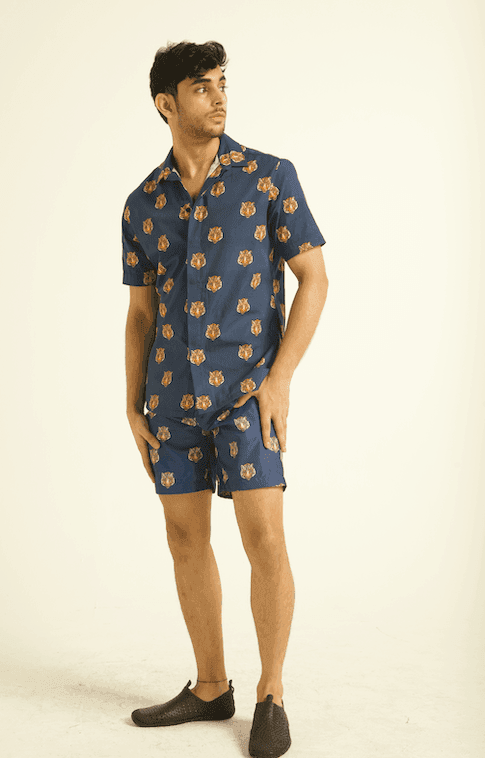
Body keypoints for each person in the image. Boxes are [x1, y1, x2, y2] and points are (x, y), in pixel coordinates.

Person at [122, 40, 328, 758]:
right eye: (201, 87)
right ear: (166, 104)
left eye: (221, 83)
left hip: (249, 394)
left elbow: (314, 278)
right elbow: (141, 315)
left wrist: (281, 379)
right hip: (170, 400)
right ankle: (211, 687)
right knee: (184, 539)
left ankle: (271, 693)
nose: (218, 97)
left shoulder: (269, 177)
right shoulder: (142, 204)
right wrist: (131, 405)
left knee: (263, 537)